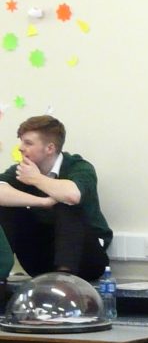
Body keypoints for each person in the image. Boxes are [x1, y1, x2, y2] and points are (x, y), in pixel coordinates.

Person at [0, 115, 111, 281]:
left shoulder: (78, 167)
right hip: (41, 258)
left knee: (65, 203)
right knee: (6, 207)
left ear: (50, 148)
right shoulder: (22, 170)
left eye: (28, 143)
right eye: (21, 142)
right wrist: (43, 202)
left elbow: (72, 195)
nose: (21, 148)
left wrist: (36, 179)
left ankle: (64, 278)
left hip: (85, 259)